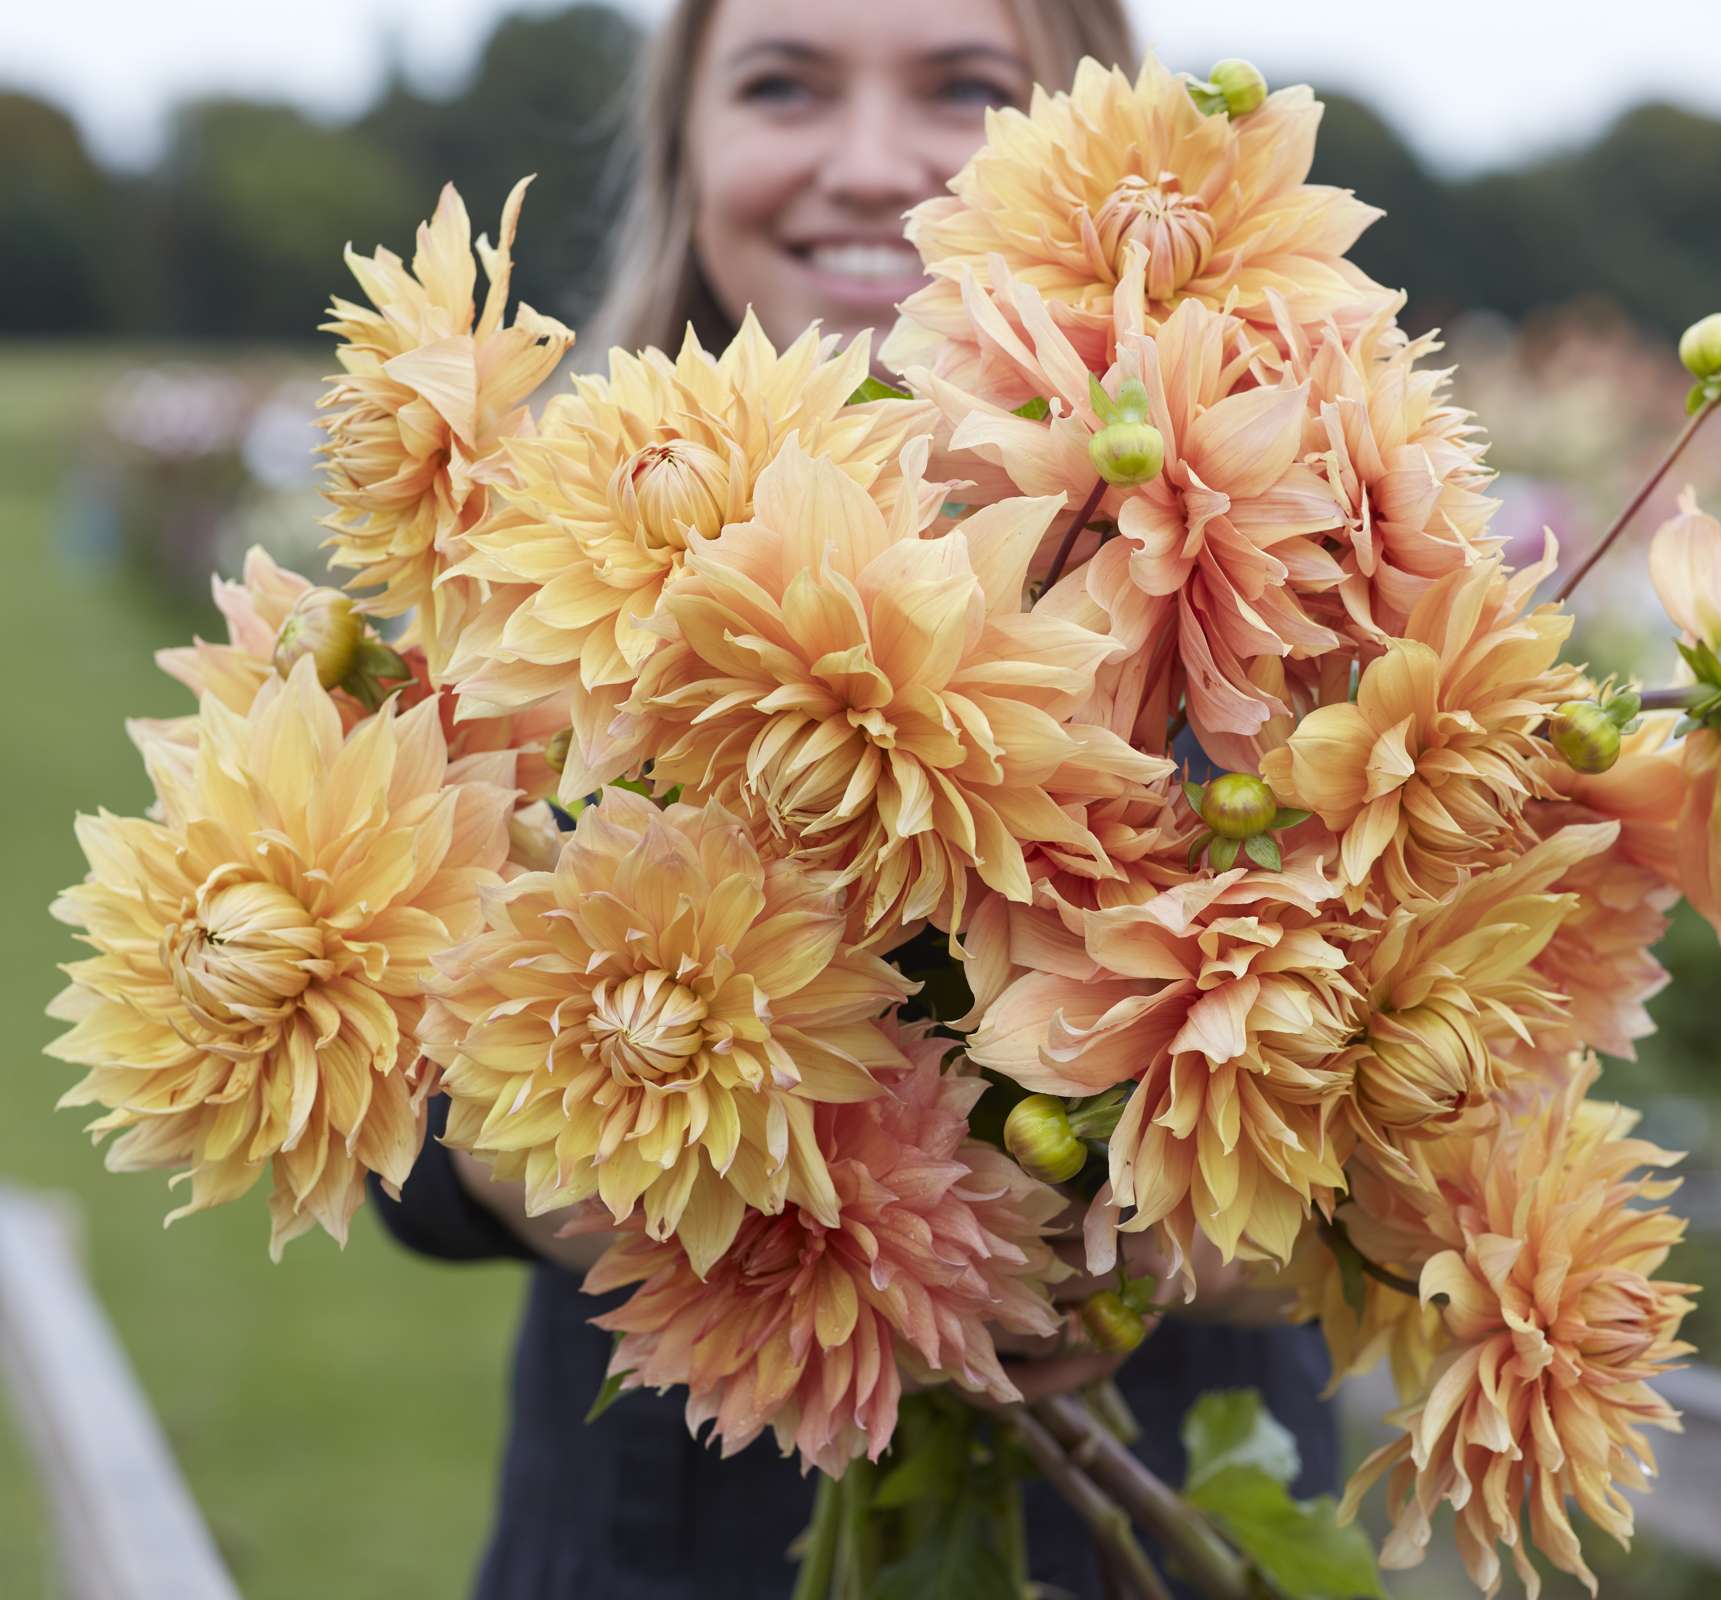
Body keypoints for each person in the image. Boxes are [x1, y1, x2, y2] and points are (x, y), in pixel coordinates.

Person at [370, 2, 1337, 1594]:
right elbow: (379, 1050)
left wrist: (1249, 1227)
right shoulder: (527, 548)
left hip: (1152, 1537)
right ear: (685, 147)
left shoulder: (1303, 549)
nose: (873, 165)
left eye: (963, 84)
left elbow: (1481, 1095)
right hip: (663, 1537)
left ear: (1104, 157)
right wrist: (530, 1154)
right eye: (781, 84)